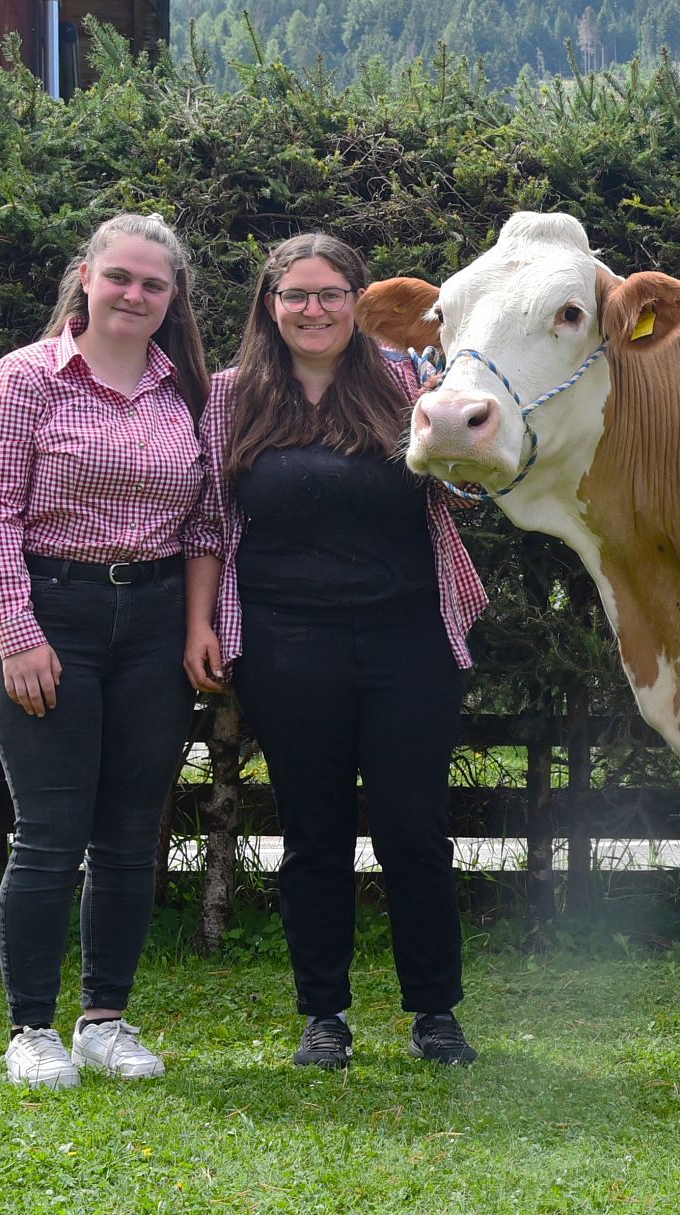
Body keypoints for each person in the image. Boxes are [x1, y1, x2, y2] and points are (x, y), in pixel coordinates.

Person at [185, 233, 488, 1069]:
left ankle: (436, 1012)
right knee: (313, 833)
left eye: (330, 294)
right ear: (270, 304)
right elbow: (208, 521)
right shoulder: (230, 397)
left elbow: (468, 485)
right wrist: (200, 623)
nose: (312, 309)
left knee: (414, 828)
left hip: (408, 639)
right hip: (285, 645)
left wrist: (460, 436)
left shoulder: (408, 379)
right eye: (295, 294)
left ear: (358, 302)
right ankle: (325, 1016)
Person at [0, 212, 212, 1089]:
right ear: (87, 279)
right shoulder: (24, 378)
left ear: (172, 297)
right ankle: (31, 1028)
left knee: (130, 833)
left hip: (154, 623)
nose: (134, 295)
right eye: (121, 277)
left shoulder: (186, 393)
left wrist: (196, 624)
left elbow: (206, 523)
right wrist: (18, 631)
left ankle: (105, 1021)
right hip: (51, 612)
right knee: (50, 831)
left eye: (154, 284)